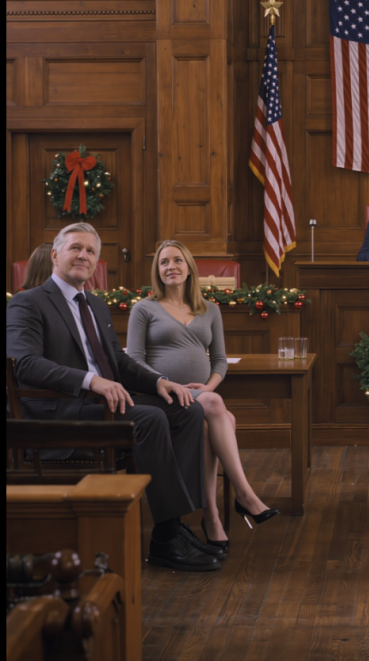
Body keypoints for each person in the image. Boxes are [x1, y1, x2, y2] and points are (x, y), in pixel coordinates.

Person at [6, 223, 224, 572]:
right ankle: (167, 538)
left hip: (101, 407)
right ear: (56, 255)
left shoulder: (94, 303)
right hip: (57, 414)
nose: (84, 256)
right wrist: (91, 381)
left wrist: (160, 383)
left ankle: (172, 527)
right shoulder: (28, 303)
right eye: (76, 247)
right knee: (150, 418)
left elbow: (119, 361)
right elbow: (26, 365)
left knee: (186, 408)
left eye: (91, 251)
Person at [127, 240, 279, 552]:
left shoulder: (210, 309)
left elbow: (220, 359)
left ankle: (211, 518)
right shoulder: (144, 309)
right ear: (157, 270)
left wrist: (208, 386)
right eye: (164, 262)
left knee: (214, 419)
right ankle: (245, 495)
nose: (171, 267)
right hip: (162, 397)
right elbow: (135, 361)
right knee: (214, 405)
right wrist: (165, 383)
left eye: (178, 261)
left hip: (198, 400)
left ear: (189, 268)